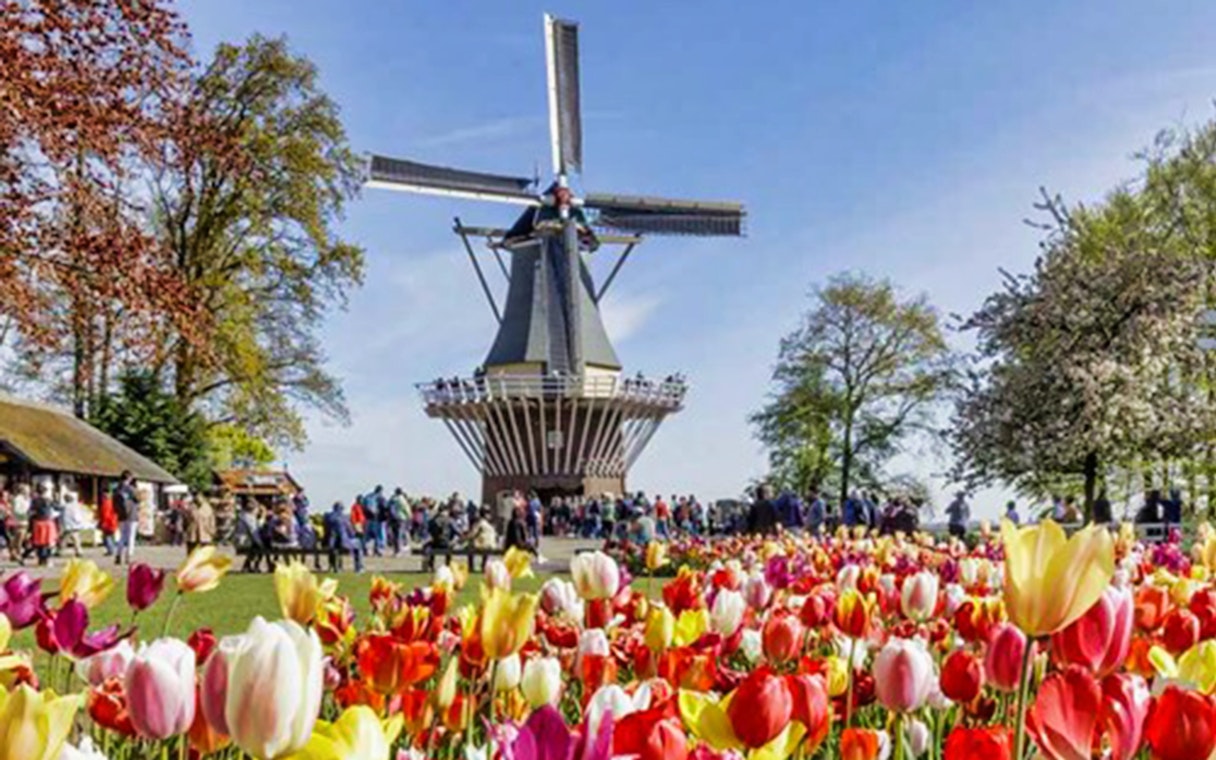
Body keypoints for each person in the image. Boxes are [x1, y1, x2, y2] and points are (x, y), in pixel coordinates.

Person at [323, 501, 362, 573]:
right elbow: (351, 532)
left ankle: (334, 567)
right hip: (343, 543)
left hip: (330, 543)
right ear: (341, 509)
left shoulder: (327, 517)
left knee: (334, 548)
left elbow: (326, 530)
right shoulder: (344, 517)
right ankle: (358, 567)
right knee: (358, 543)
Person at [113, 471, 139, 565]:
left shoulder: (116, 489)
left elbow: (114, 504)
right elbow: (138, 499)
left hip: (121, 516)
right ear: (129, 478)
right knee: (131, 536)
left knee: (122, 536)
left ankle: (118, 555)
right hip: (132, 515)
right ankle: (129, 556)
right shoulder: (132, 489)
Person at [29, 483, 57, 566]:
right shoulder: (48, 500)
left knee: (39, 542)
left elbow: (31, 511)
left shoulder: (34, 500)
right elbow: (57, 507)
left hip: (38, 522)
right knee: (48, 542)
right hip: (48, 522)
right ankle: (47, 559)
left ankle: (41, 559)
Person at [58, 488, 90, 558]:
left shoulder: (65, 507)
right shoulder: (75, 506)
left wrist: (62, 524)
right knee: (76, 539)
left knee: (64, 539)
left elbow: (62, 516)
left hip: (67, 526)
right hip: (74, 526)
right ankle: (79, 551)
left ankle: (60, 550)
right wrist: (79, 523)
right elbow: (77, 516)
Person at [388, 488, 408, 556]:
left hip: (393, 518)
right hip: (400, 518)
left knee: (395, 535)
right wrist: (409, 516)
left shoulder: (392, 499)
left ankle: (395, 550)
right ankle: (399, 551)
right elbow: (406, 508)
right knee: (399, 534)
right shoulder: (402, 499)